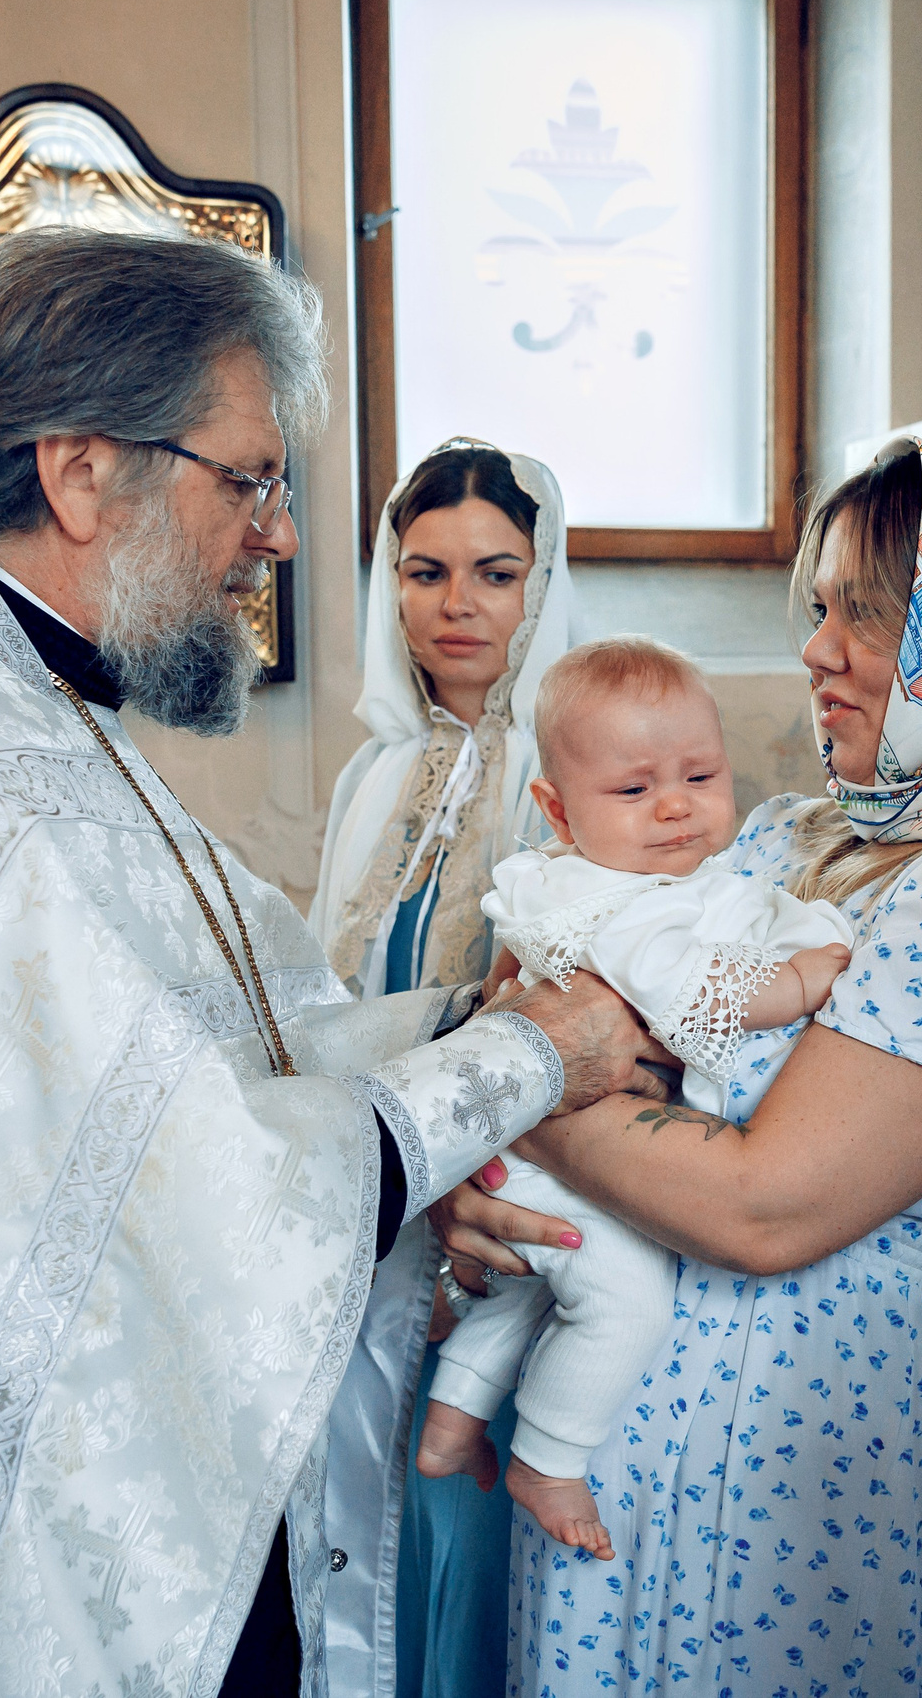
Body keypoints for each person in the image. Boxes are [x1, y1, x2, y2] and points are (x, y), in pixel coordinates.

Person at [0, 227, 670, 1696]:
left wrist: (458, 1025)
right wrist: (537, 1055)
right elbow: (187, 1175)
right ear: (84, 471)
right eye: (251, 478)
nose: (281, 535)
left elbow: (210, 1040)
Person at [428, 440, 922, 1695]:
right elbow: (538, 989)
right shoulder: (791, 828)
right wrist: (517, 1095)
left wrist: (530, 1084)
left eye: (864, 614)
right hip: (614, 1445)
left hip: (797, 1472)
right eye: (816, 607)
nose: (816, 649)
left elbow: (765, 1205)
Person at [419, 636, 854, 1558]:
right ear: (557, 809)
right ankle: (548, 1453)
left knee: (544, 1292)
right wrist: (804, 980)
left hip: (528, 1148)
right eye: (633, 789)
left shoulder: (628, 877)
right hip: (549, 1159)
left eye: (701, 773)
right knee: (625, 1299)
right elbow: (695, 992)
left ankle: (454, 1414)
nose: (674, 805)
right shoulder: (628, 903)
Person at [308, 435, 579, 1698]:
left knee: (470, 1512)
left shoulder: (563, 771)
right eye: (424, 572)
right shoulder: (374, 776)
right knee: (369, 1509)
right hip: (375, 1192)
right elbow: (331, 997)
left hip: (497, 1211)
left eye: (495, 572)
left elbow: (582, 1018)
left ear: (546, 582)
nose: (456, 604)